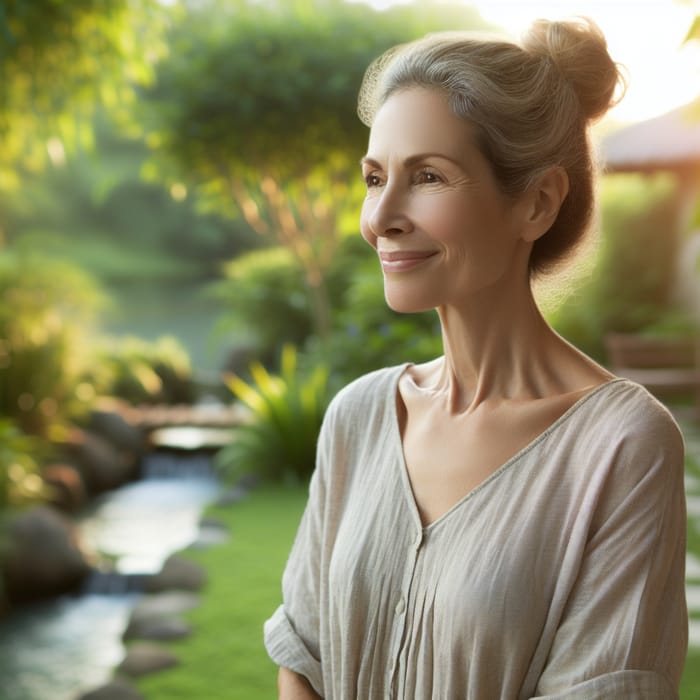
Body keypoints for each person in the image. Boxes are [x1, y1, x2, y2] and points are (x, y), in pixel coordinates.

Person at [264, 17, 688, 700]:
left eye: (428, 176)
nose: (381, 217)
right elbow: (304, 659)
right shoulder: (360, 418)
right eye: (376, 178)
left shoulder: (620, 446)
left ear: (536, 203)